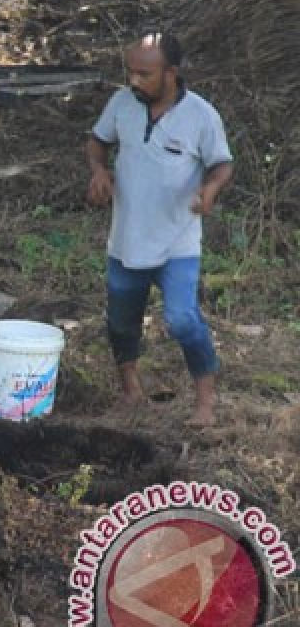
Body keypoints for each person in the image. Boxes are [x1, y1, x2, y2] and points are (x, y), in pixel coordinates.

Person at [85, 31, 233, 427]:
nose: (134, 81)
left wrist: (211, 189)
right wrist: (99, 171)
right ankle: (131, 390)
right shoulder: (122, 103)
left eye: (144, 74)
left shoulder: (201, 115)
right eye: (130, 72)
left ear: (171, 73)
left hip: (178, 241)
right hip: (127, 238)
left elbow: (222, 164)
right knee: (120, 319)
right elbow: (97, 142)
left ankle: (204, 402)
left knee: (183, 318)